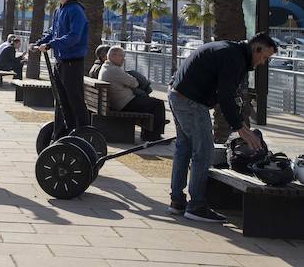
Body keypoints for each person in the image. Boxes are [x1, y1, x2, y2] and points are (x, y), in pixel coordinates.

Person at [168, 32, 275, 223]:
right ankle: (197, 205)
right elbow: (225, 95)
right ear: (256, 49)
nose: (263, 62)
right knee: (204, 152)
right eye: (264, 57)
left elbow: (218, 86)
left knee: (184, 148)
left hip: (178, 95)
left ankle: (177, 201)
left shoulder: (229, 50)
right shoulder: (234, 58)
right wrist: (239, 127)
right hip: (191, 102)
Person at [30, 0, 89, 140]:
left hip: (72, 63)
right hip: (60, 62)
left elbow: (73, 37)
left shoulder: (75, 10)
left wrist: (50, 45)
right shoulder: (59, 10)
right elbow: (53, 32)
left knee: (74, 100)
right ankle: (62, 134)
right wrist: (39, 43)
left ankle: (82, 134)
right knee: (61, 101)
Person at [97, 46, 166, 141]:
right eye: (121, 56)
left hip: (117, 103)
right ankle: (154, 136)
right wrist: (128, 85)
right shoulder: (114, 70)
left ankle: (148, 134)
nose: (123, 59)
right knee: (158, 104)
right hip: (124, 103)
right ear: (113, 56)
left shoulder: (106, 67)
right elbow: (135, 83)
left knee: (149, 102)